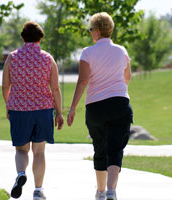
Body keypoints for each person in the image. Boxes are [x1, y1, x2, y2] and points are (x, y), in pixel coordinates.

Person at [67, 12, 133, 200]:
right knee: (115, 149)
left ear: (97, 31)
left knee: (100, 148)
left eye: (90, 30)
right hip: (120, 104)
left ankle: (101, 192)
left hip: (95, 107)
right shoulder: (122, 51)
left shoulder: (88, 53)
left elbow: (82, 81)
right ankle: (112, 191)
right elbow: (127, 78)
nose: (90, 33)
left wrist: (72, 109)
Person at [2, 21, 64, 200]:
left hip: (19, 111)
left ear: (23, 37)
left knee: (21, 150)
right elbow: (55, 89)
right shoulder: (47, 58)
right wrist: (59, 113)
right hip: (43, 111)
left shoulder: (12, 58)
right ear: (40, 38)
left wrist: (9, 105)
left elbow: (6, 85)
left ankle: (21, 173)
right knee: (39, 152)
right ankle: (38, 191)